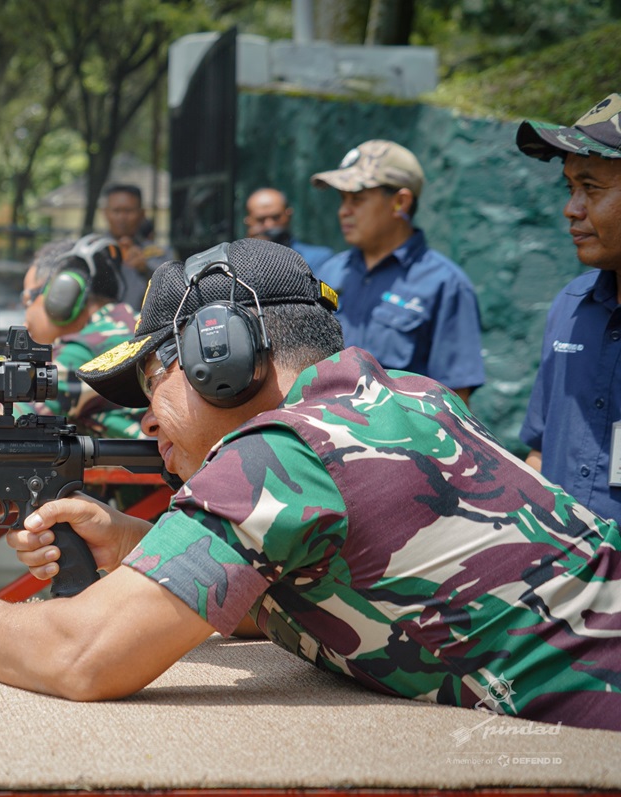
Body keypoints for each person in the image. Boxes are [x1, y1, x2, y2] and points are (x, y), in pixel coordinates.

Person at [0, 238, 621, 732]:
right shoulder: (411, 397)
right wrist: (144, 547)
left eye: (150, 380)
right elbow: (365, 598)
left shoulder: (284, 452)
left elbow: (82, 657)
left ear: (218, 358)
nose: (144, 423)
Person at [309, 140, 485, 404]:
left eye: (357, 199)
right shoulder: (330, 272)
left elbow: (454, 401)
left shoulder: (445, 284)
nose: (344, 211)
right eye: (343, 199)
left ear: (400, 202)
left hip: (399, 444)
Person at [0, 234, 144, 440]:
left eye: (28, 299)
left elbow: (0, 434)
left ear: (61, 295)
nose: (25, 317)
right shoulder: (130, 323)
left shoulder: (84, 351)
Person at [516, 93, 621, 523]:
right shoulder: (570, 306)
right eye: (570, 187)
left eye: (590, 188)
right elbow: (540, 451)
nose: (571, 209)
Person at [101, 184, 169, 311]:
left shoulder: (158, 253)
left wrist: (145, 269)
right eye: (116, 211)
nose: (122, 217)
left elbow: (172, 289)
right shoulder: (95, 252)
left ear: (142, 214)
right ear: (105, 213)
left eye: (128, 211)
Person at [244, 187, 333, 271]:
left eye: (276, 217)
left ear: (288, 215)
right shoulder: (239, 263)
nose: (269, 225)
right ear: (249, 222)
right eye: (261, 220)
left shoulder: (317, 259)